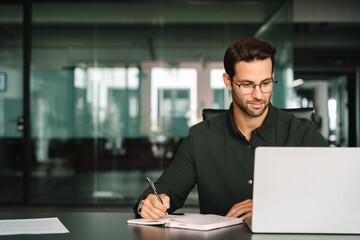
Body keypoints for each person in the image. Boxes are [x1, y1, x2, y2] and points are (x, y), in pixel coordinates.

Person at [134, 37, 328, 220]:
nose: (258, 95)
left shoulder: (303, 134)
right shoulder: (201, 138)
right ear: (228, 82)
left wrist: (270, 207)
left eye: (266, 83)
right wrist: (149, 204)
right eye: (247, 85)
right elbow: (163, 192)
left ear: (273, 77)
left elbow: (334, 196)